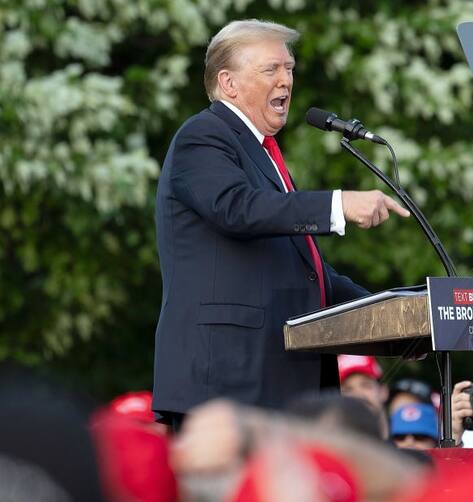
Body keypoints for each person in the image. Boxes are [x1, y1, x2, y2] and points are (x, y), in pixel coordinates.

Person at [152, 19, 409, 429]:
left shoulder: (263, 154)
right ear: (229, 83)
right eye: (271, 69)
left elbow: (309, 277)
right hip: (228, 386)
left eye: (289, 69)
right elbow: (236, 208)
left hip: (280, 389)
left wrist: (398, 319)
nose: (286, 80)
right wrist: (338, 204)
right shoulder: (203, 135)